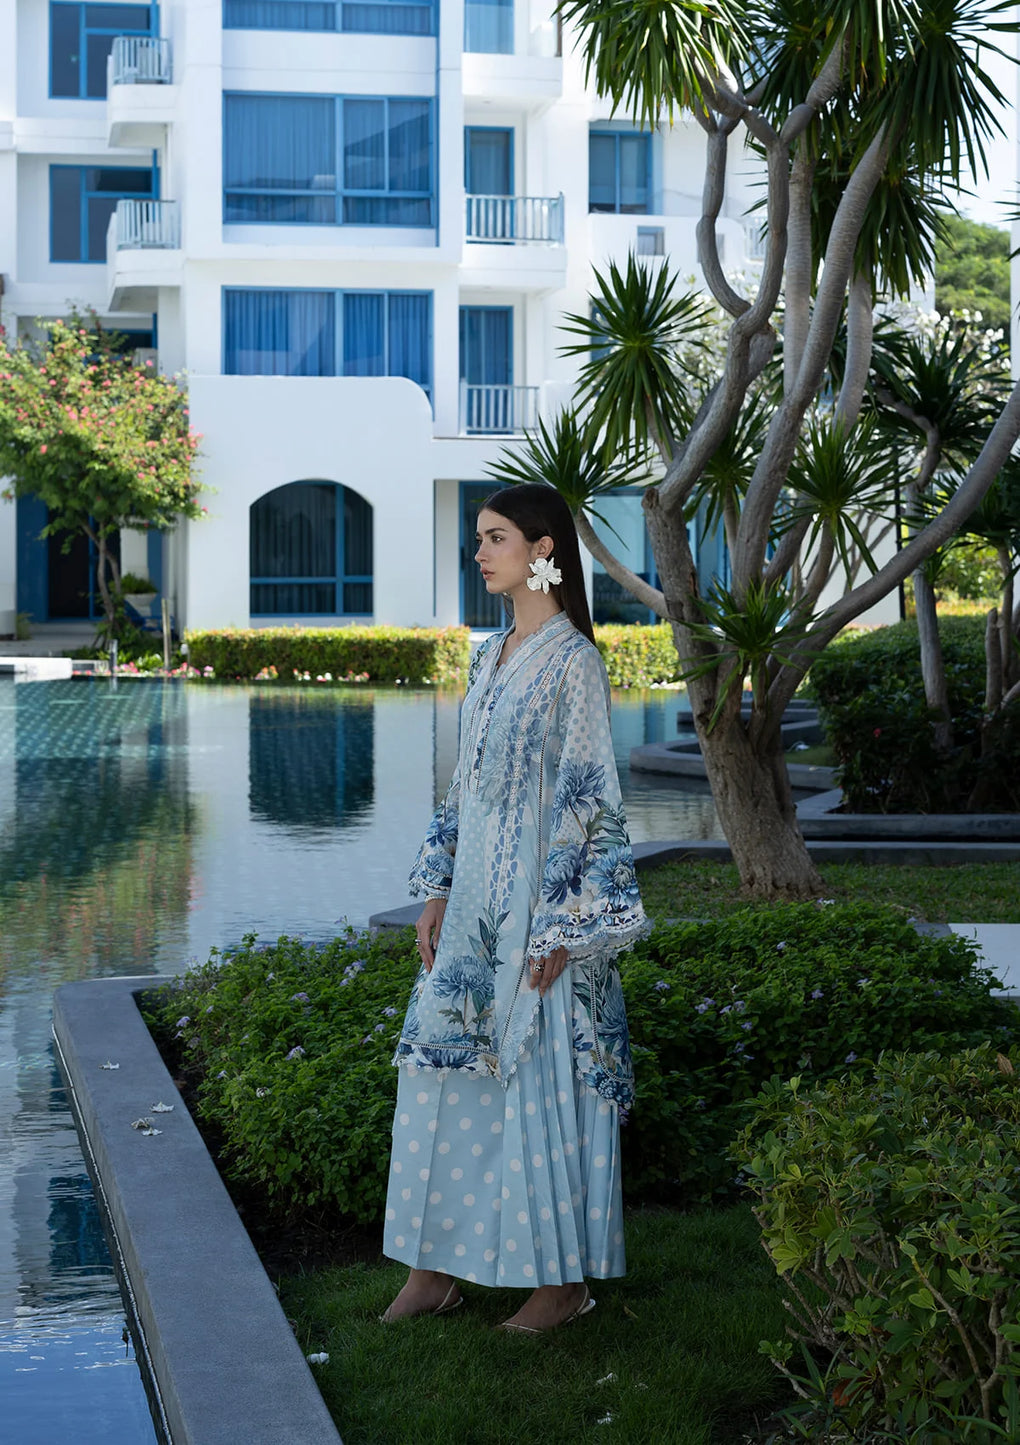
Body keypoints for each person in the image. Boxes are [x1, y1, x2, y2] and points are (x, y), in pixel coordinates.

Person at [381, 483, 649, 1332]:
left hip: (540, 913)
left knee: (537, 1081)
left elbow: (589, 798)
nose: (479, 553)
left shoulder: (574, 662)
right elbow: (462, 785)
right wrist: (436, 886)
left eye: (494, 537)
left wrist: (567, 923)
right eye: (478, 538)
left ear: (543, 549)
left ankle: (560, 1285)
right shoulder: (488, 656)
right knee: (440, 1073)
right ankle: (431, 1272)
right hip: (471, 914)